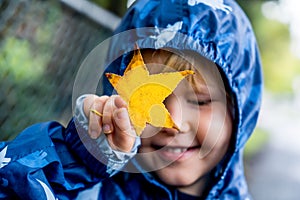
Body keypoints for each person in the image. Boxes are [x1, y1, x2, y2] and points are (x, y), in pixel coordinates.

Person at [0, 0, 263, 199]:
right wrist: (78, 159)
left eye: (201, 101)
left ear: (238, 113)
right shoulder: (87, 192)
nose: (174, 123)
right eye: (148, 95)